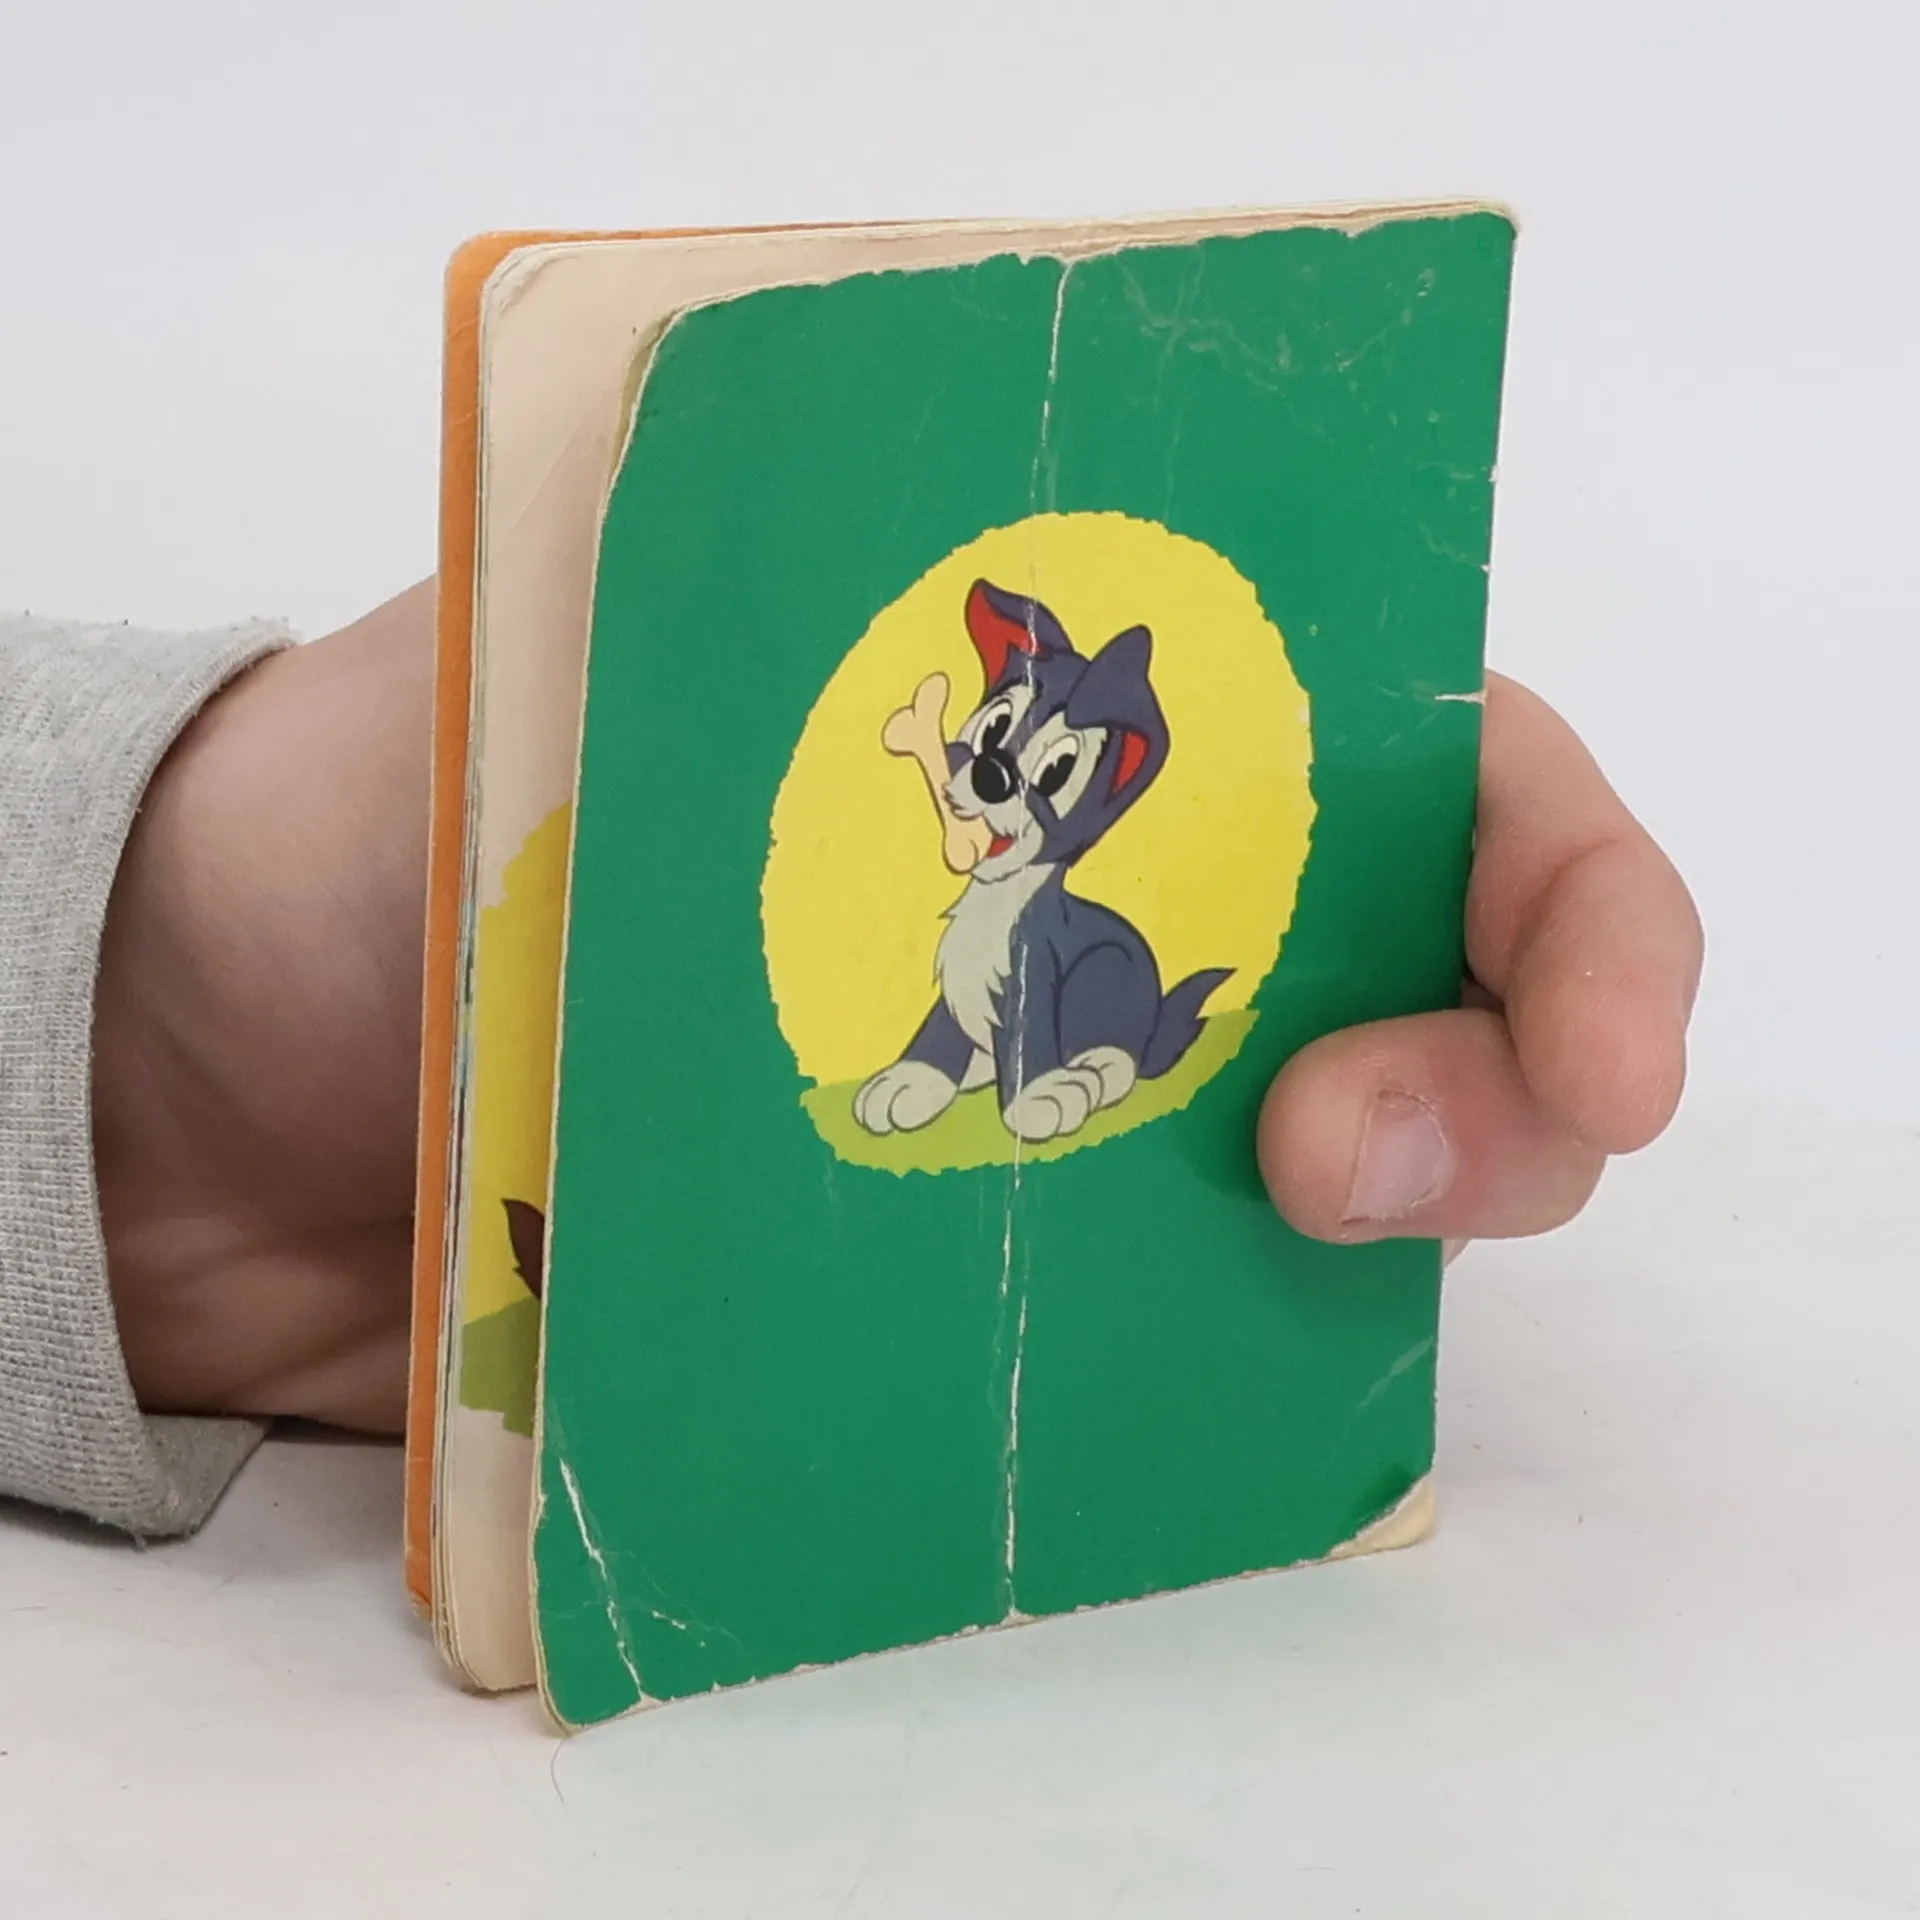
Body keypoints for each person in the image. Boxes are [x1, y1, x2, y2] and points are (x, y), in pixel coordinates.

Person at [0, 582, 1702, 1537]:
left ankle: (1079, 1073)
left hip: (1085, 1012)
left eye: (1037, 773)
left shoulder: (1059, 888)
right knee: (966, 983)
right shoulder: (968, 843)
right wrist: (129, 1005)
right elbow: (954, 978)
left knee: (1058, 995)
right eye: (994, 749)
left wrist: (136, 977)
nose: (992, 784)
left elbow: (1016, 975)